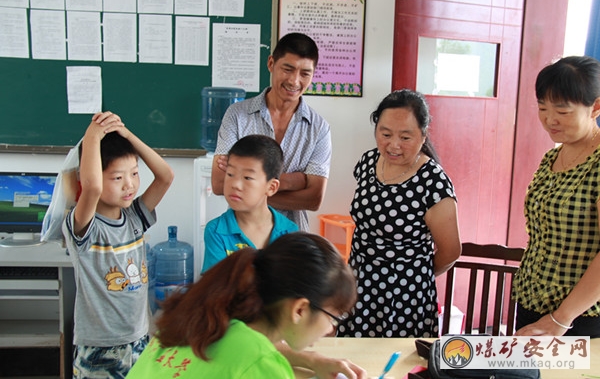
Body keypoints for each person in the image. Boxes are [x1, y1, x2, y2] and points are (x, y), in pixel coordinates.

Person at [126, 232, 359, 378]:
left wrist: (313, 360)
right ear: (300, 309)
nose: (330, 329)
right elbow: (255, 359)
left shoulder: (207, 319)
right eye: (332, 317)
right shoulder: (262, 363)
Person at [336, 89, 462, 338]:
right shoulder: (368, 162)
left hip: (404, 295)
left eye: (405, 137)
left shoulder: (433, 182)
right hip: (359, 284)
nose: (393, 145)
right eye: (385, 134)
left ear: (423, 135)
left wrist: (413, 272)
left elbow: (451, 251)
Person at [63, 111, 174, 378]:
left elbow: (166, 176)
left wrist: (126, 135)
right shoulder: (85, 227)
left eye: (134, 174)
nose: (130, 185)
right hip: (99, 348)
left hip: (138, 338)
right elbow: (91, 188)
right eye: (117, 178)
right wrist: (92, 135)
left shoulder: (135, 217)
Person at [513, 56, 600, 338]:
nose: (550, 119)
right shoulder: (552, 157)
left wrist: (561, 319)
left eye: (562, 111)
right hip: (532, 303)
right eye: (542, 108)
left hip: (579, 317)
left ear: (595, 107)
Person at [211, 32, 331, 232]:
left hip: (292, 239)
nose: (294, 81)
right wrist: (294, 181)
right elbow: (218, 182)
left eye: (305, 73)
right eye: (287, 69)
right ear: (271, 63)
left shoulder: (319, 128)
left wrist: (249, 185)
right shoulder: (237, 115)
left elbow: (313, 199)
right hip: (241, 234)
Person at [201, 134, 298, 273]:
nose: (235, 184)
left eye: (247, 177)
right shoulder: (216, 231)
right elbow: (216, 288)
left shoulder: (289, 232)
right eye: (230, 174)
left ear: (271, 187)